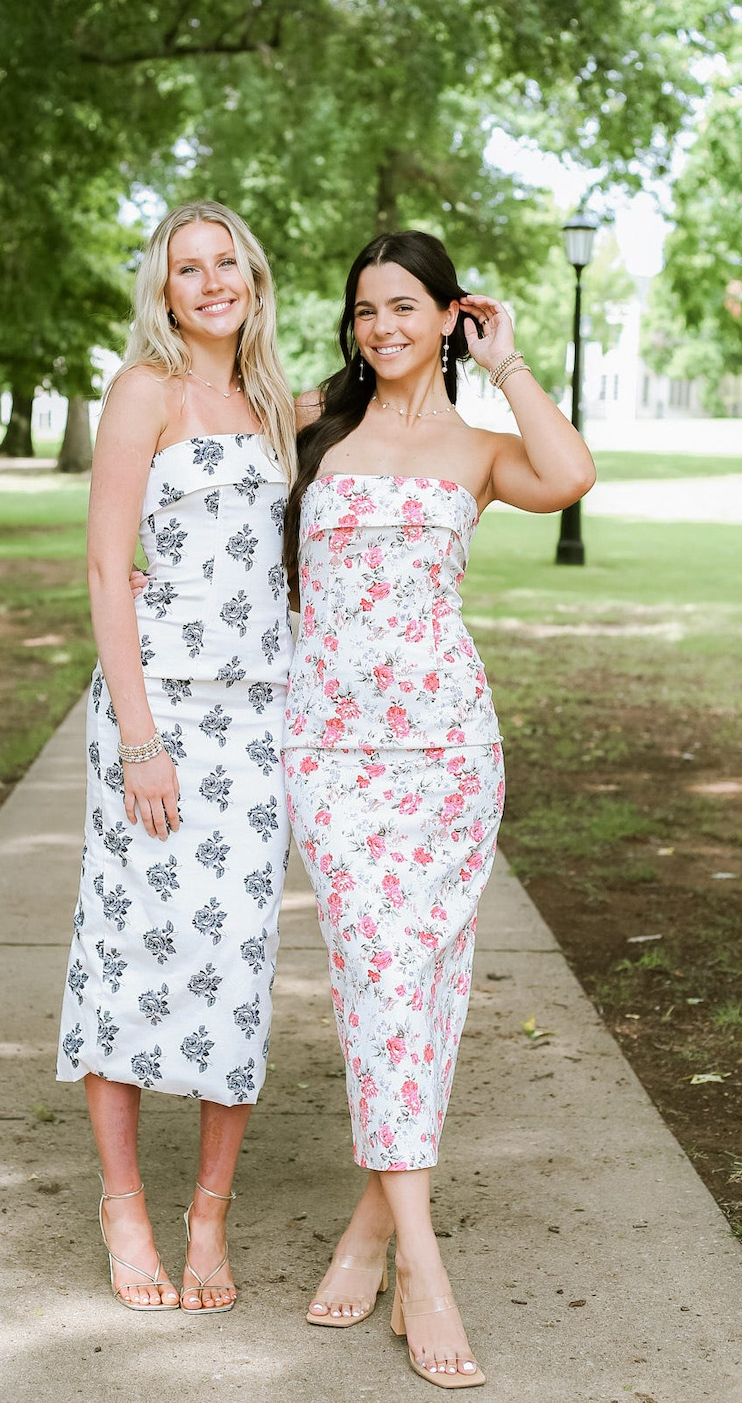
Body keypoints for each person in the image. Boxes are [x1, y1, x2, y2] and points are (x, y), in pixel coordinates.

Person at [281, 230, 595, 1387]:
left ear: (446, 313)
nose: (382, 327)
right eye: (365, 309)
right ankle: (427, 1261)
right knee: (374, 971)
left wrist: (507, 358)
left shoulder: (478, 446)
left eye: (405, 306)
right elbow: (220, 417)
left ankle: (377, 1226)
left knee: (428, 982)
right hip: (332, 753)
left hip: (450, 752)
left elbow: (569, 478)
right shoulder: (315, 428)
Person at [56, 201, 296, 1312]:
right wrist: (141, 740)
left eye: (226, 262)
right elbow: (111, 571)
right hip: (155, 717)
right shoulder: (140, 392)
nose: (210, 282)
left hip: (258, 721)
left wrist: (481, 343)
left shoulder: (280, 405)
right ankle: (125, 1207)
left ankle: (209, 1212)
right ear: (163, 287)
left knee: (237, 961)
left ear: (252, 274)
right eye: (186, 267)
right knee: (129, 947)